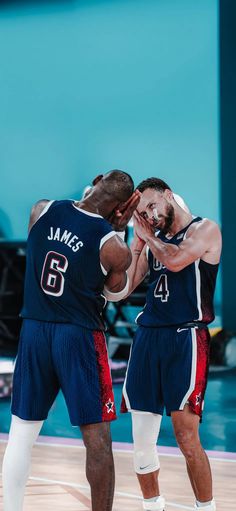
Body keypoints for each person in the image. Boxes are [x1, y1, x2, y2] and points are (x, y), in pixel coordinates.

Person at [2, 170, 141, 511]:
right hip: (77, 336)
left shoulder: (42, 209)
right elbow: (115, 293)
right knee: (97, 440)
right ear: (123, 206)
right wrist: (119, 229)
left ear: (96, 181)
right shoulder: (112, 245)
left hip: (33, 331)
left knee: (21, 433)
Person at [121, 177, 222, 511]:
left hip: (186, 338)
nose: (149, 215)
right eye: (143, 212)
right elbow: (123, 288)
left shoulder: (204, 230)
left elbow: (176, 260)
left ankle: (206, 508)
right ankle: (153, 506)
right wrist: (136, 244)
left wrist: (147, 236)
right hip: (149, 337)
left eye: (151, 206)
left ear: (168, 195)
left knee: (186, 437)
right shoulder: (152, 239)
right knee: (141, 441)